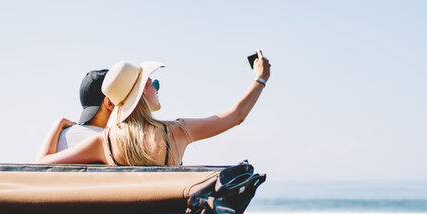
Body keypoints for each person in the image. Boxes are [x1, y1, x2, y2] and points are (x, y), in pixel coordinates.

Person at [36, 50, 271, 166]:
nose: (155, 86)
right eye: (149, 82)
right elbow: (235, 116)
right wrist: (260, 79)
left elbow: (42, 164)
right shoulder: (177, 131)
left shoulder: (105, 141)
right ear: (139, 95)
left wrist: (58, 125)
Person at [35, 69, 115, 161]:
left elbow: (40, 164)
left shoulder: (57, 138)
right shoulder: (113, 142)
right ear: (109, 103)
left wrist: (59, 123)